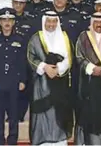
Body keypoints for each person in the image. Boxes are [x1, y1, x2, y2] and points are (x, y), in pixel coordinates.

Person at [26, 11, 74, 145]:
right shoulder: (36, 38)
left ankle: (59, 141)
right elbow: (31, 57)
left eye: (54, 22)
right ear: (44, 22)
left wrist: (58, 69)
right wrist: (45, 67)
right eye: (49, 21)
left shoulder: (64, 38)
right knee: (42, 114)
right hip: (41, 85)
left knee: (60, 112)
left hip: (61, 83)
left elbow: (70, 58)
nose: (51, 24)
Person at [0, 8, 28, 145]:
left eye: (10, 20)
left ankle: (12, 140)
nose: (7, 22)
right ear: (0, 21)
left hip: (14, 80)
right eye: (4, 20)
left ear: (14, 21)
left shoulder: (21, 38)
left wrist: (23, 80)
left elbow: (24, 61)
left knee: (14, 114)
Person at [74, 12, 101, 145]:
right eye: (96, 22)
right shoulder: (84, 36)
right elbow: (78, 56)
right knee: (87, 115)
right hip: (88, 82)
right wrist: (92, 68)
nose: (99, 25)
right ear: (92, 23)